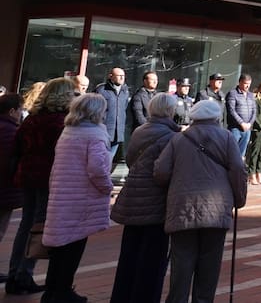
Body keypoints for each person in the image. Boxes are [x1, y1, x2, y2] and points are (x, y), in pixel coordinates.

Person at [154, 99, 248, 303]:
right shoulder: (226, 137)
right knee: (210, 264)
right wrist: (239, 199)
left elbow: (161, 172)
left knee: (182, 263)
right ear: (216, 117)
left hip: (183, 207)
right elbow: (238, 170)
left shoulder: (178, 139)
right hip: (216, 208)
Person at [7, 77, 75, 296]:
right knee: (38, 225)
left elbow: (16, 148)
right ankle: (24, 274)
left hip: (27, 176)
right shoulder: (61, 122)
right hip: (47, 177)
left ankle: (15, 272)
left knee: (26, 224)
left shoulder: (31, 119)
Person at [42, 93, 112, 303]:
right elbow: (97, 168)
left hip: (62, 194)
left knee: (60, 247)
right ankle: (62, 291)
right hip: (81, 197)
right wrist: (107, 187)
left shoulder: (69, 131)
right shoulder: (95, 134)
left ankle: (52, 290)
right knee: (73, 247)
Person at [111, 93, 179, 303]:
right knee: (153, 257)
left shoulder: (140, 131)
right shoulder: (171, 136)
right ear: (170, 111)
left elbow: (131, 159)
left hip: (133, 195)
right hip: (156, 200)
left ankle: (122, 296)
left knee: (129, 253)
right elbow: (166, 171)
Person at [0, 94, 22, 260]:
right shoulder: (11, 131)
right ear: (12, 111)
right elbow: (9, 162)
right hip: (4, 189)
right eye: (20, 109)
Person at [93, 67, 129, 165]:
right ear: (111, 76)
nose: (122, 78)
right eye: (119, 76)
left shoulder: (125, 91)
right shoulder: (101, 90)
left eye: (123, 76)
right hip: (104, 129)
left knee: (109, 159)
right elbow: (95, 109)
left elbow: (124, 108)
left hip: (118, 132)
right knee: (100, 157)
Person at [224, 74, 256, 160]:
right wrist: (241, 123)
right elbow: (231, 111)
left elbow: (254, 111)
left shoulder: (250, 95)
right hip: (235, 128)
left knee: (241, 155)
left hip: (247, 129)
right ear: (240, 82)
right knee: (231, 153)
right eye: (245, 83)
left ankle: (238, 171)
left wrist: (249, 123)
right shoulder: (233, 94)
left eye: (249, 83)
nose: (247, 86)